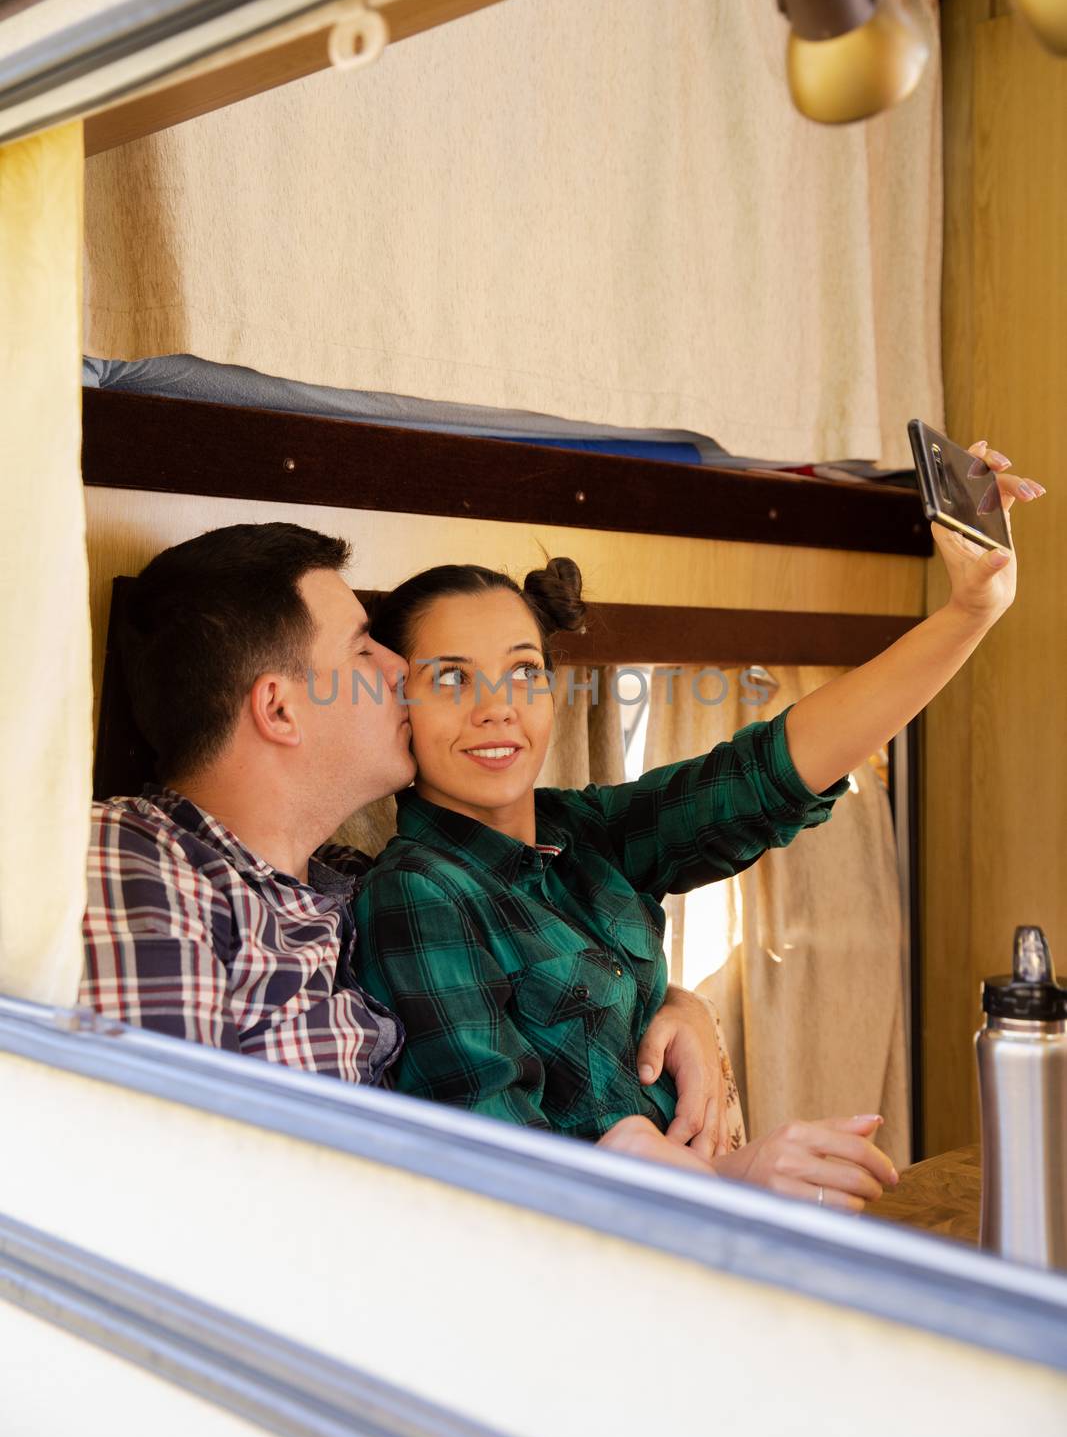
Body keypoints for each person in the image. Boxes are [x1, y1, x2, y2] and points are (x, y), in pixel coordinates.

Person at [353, 440, 1046, 1207]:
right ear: (396, 703)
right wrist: (728, 1177)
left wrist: (970, 611)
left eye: (524, 671)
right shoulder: (416, 893)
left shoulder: (583, 834)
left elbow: (771, 772)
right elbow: (501, 1176)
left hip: (709, 1233)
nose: (498, 707)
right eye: (451, 678)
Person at [80, 523, 741, 1149]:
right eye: (363, 650)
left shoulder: (353, 886)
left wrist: (676, 1005)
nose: (400, 671)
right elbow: (158, 1169)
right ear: (280, 709)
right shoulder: (136, 861)